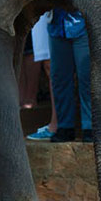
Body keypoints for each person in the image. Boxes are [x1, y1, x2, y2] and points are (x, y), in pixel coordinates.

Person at [46, 8, 92, 143]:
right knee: (59, 78)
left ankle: (89, 127)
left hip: (83, 24)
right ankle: (65, 127)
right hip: (57, 26)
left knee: (86, 78)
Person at [26, 12, 59, 140]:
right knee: (48, 65)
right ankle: (55, 123)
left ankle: (57, 124)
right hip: (43, 13)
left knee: (53, 65)